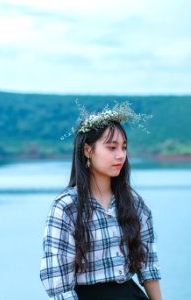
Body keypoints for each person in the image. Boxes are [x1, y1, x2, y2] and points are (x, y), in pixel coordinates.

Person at [40, 102, 162, 300]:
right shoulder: (66, 207)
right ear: (88, 150)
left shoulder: (135, 203)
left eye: (124, 147)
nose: (121, 155)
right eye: (112, 147)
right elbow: (58, 281)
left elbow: (148, 266)